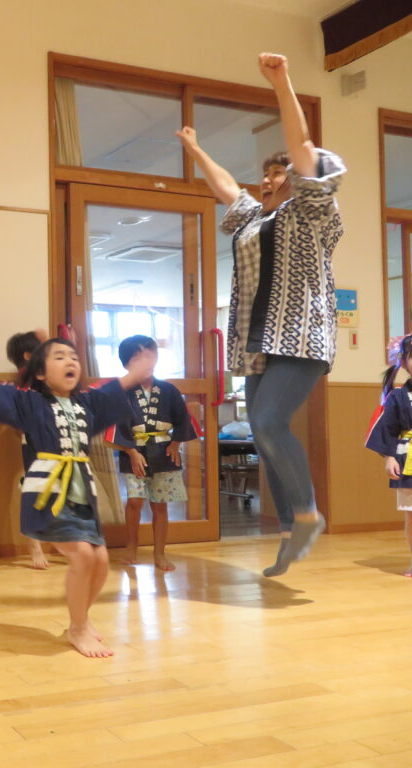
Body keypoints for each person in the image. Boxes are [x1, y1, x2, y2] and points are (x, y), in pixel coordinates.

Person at [175, 52, 345, 576]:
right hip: (255, 342)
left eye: (280, 174)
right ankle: (291, 532)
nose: (270, 181)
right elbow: (227, 187)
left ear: (298, 180)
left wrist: (281, 82)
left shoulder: (313, 211)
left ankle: (307, 513)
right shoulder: (252, 218)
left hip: (301, 335)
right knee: (264, 437)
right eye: (267, 175)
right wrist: (196, 149)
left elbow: (302, 147)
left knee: (270, 421)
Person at [0, 338, 151, 658]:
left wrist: (137, 371)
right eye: (59, 357)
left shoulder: (87, 402)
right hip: (48, 492)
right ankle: (78, 628)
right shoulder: (30, 402)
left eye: (73, 357)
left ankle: (80, 619)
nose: (70, 361)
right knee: (82, 555)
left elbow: (115, 388)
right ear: (40, 373)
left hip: (82, 491)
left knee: (100, 561)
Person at [111, 335, 197, 571]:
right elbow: (116, 427)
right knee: (135, 502)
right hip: (134, 453)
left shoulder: (169, 390)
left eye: (150, 355)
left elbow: (182, 419)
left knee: (160, 505)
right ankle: (131, 546)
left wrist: (175, 443)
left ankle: (159, 553)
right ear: (126, 364)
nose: (146, 362)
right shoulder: (122, 392)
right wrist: (131, 451)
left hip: (163, 452)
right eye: (138, 358)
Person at [367, 335, 412, 576]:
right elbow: (387, 429)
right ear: (403, 362)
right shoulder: (398, 396)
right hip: (408, 459)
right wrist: (389, 457)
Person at [7, 329, 52, 569]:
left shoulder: (39, 377)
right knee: (33, 491)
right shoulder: (26, 377)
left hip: (52, 438)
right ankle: (34, 545)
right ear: (28, 356)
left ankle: (60, 540)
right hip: (35, 441)